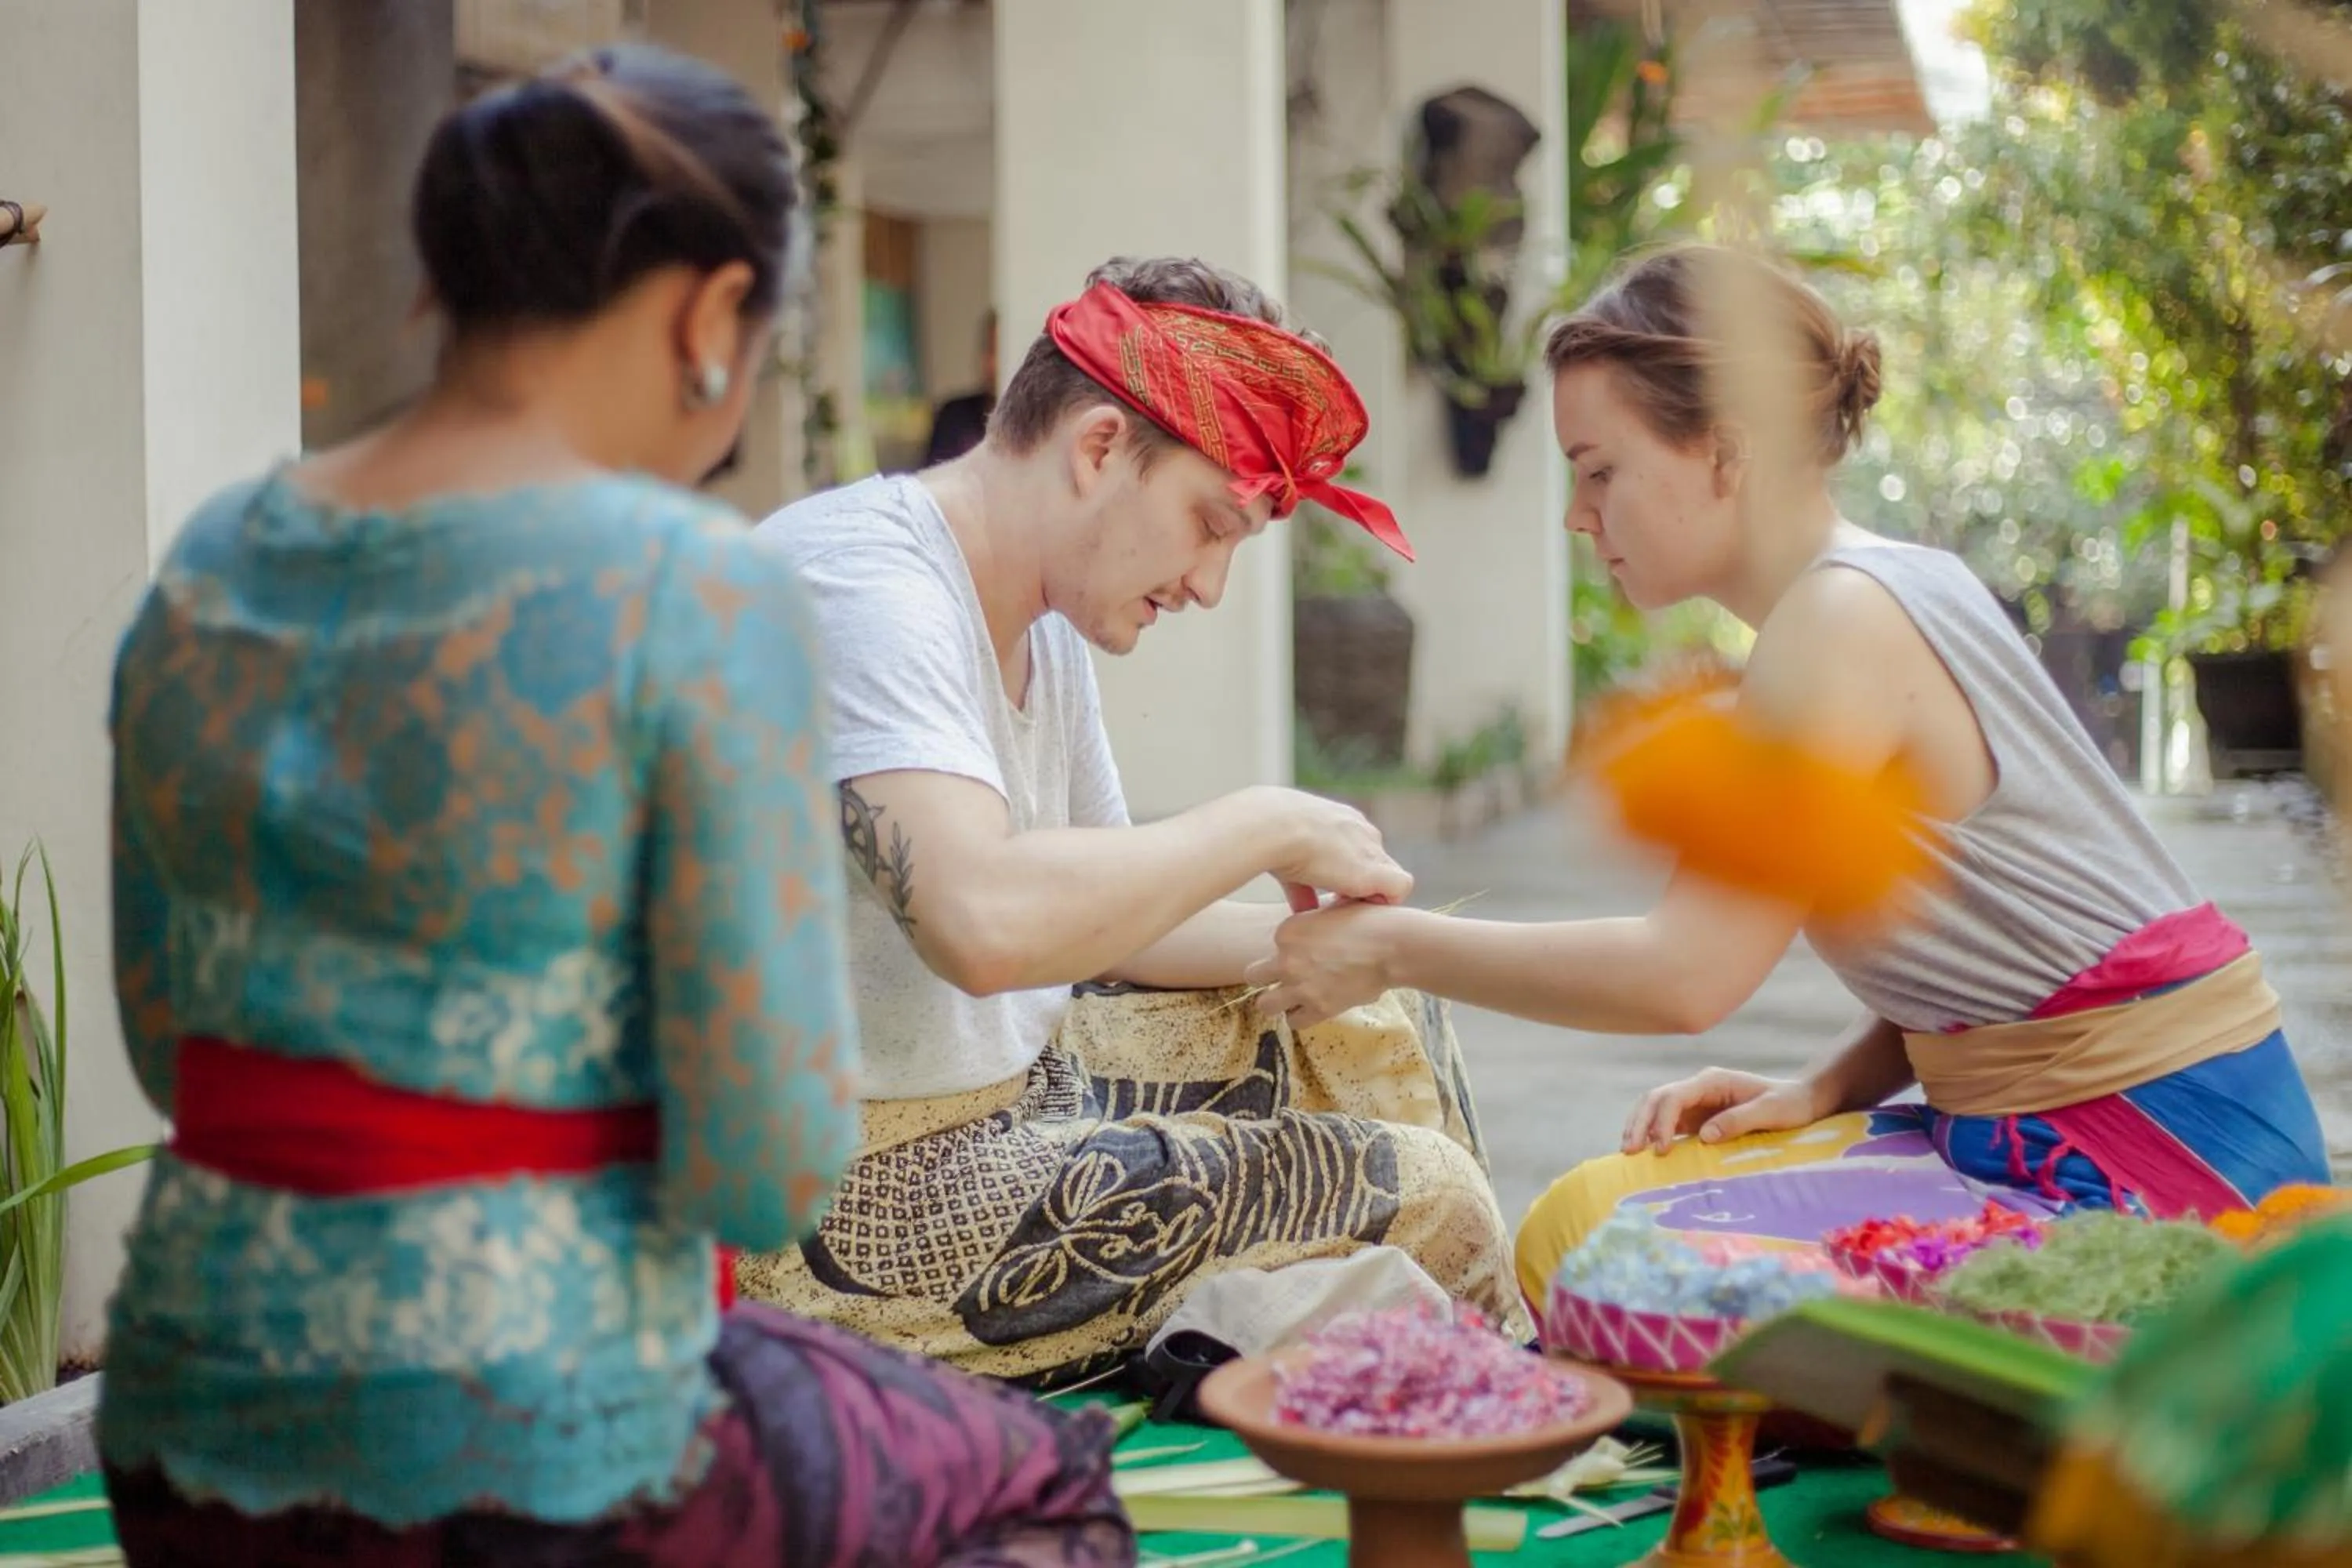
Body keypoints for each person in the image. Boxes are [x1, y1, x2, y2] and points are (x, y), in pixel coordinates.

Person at [97, 45, 1130, 1567]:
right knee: (1049, 1486)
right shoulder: (692, 592)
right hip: (539, 1444)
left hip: (189, 1429)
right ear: (710, 316)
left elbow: (162, 1046)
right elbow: (766, 1163)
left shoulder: (210, 564)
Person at [1243, 243, 2331, 1309]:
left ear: (1727, 452)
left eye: (1600, 470)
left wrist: (1392, 948)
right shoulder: (1896, 583)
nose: (1580, 515)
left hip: (2162, 1171)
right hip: (2098, 1124)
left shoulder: (1839, 618)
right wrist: (1829, 1089)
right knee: (1606, 1217)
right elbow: (2017, 956)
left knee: (1594, 1249)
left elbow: (1685, 975)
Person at [738, 257, 1526, 1381]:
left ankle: (1417, 1374)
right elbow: (983, 927)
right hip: (833, 1212)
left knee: (1376, 1010)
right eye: (1210, 525)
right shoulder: (859, 585)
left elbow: (1120, 925)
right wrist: (1261, 823)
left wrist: (1370, 942)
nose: (1209, 585)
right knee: (1425, 1190)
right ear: (1100, 446)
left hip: (1009, 1106)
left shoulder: (1039, 616)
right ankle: (1504, 1419)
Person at [924, 309, 999, 464]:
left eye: (999, 352)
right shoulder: (954, 417)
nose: (990, 364)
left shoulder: (1039, 425)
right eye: (989, 350)